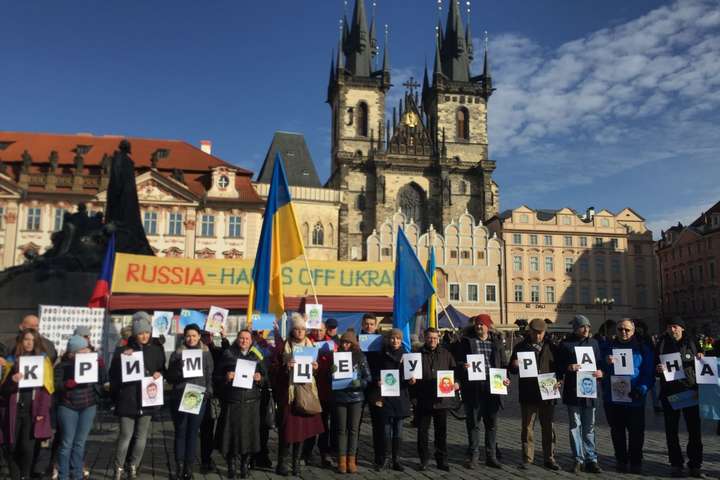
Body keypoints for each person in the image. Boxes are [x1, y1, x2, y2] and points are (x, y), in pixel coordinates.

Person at [109, 312, 166, 480]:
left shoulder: (156, 350)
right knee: (125, 436)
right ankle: (118, 468)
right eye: (141, 333)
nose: (144, 336)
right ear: (135, 334)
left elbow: (162, 368)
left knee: (141, 436)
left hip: (147, 398)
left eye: (147, 332)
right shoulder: (123, 351)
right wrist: (122, 360)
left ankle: (133, 465)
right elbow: (113, 375)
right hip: (128, 399)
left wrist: (159, 374)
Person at [270, 313, 324, 476]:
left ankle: (296, 464)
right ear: (292, 330)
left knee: (302, 431)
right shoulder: (283, 347)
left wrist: (316, 368)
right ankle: (282, 463)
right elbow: (273, 369)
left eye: (302, 329)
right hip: (289, 396)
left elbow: (317, 374)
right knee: (286, 430)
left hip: (306, 394)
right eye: (297, 329)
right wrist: (286, 366)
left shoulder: (311, 346)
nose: (300, 332)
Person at [599, 318, 655, 474]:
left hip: (635, 397)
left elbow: (648, 372)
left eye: (627, 329)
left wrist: (641, 389)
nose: (623, 332)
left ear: (633, 330)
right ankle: (621, 460)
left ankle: (636, 460)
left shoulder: (642, 348)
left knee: (636, 432)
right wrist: (605, 363)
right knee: (617, 431)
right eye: (620, 329)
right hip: (613, 398)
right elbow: (598, 369)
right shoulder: (607, 347)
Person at [456, 314, 509, 470]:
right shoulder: (466, 342)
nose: (479, 326)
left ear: (488, 326)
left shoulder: (496, 342)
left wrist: (506, 379)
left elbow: (503, 364)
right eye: (477, 324)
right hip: (474, 387)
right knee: (473, 423)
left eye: (482, 324)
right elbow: (457, 361)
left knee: (491, 423)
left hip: (493, 386)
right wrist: (463, 366)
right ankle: (474, 455)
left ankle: (491, 456)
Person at [0, 329, 54, 480]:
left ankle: (25, 475)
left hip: (32, 411)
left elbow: (47, 390)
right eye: (26, 339)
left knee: (27, 447)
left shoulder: (43, 361)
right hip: (13, 410)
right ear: (21, 341)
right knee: (11, 446)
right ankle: (15, 475)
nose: (29, 343)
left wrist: (42, 412)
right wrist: (12, 381)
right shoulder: (11, 361)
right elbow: (3, 390)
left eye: (33, 340)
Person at [654, 317, 705, 478]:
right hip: (670, 392)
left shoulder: (692, 342)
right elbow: (654, 365)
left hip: (689, 390)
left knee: (694, 430)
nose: (672, 330)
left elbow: (705, 361)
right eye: (669, 327)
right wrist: (658, 369)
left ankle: (695, 464)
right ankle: (676, 464)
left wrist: (702, 356)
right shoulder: (661, 343)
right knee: (671, 431)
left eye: (675, 327)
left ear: (682, 328)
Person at [509, 318, 561, 470]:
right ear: (529, 331)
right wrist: (514, 365)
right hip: (528, 391)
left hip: (548, 390)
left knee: (548, 427)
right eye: (535, 332)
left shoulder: (552, 346)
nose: (538, 336)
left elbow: (559, 367)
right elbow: (512, 369)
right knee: (527, 427)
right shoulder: (520, 347)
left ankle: (549, 458)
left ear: (545, 332)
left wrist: (560, 380)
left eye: (541, 333)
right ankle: (527, 458)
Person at [215, 329, 266, 479]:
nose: (244, 341)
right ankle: (231, 465)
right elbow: (216, 376)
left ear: (251, 341)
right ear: (237, 339)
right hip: (233, 401)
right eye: (241, 338)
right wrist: (226, 377)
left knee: (249, 436)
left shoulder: (257, 355)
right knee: (231, 436)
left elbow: (266, 378)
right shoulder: (228, 354)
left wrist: (260, 378)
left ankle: (245, 465)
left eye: (247, 338)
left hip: (251, 402)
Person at [54, 335, 106, 480]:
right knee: (67, 443)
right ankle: (63, 475)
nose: (85, 352)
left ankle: (77, 474)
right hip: (68, 407)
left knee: (80, 443)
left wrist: (101, 367)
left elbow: (103, 380)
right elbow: (55, 385)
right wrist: (66, 384)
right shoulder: (63, 366)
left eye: (86, 349)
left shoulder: (92, 362)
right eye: (81, 350)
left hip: (88, 406)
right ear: (72, 353)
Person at [166, 324, 214, 479]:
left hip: (198, 395)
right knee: (181, 431)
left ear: (199, 336)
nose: (191, 338)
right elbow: (170, 377)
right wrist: (178, 368)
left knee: (193, 433)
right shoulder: (178, 353)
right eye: (188, 336)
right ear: (184, 337)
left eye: (194, 335)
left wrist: (208, 391)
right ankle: (179, 466)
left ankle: (189, 468)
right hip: (180, 395)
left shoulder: (206, 352)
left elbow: (209, 374)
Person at [557, 315, 603, 474]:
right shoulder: (565, 344)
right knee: (575, 427)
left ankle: (591, 459)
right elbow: (558, 365)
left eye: (588, 326)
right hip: (573, 391)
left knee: (589, 426)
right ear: (575, 328)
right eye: (583, 326)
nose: (586, 329)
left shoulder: (594, 343)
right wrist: (568, 367)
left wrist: (601, 372)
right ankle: (578, 458)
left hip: (589, 390)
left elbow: (599, 363)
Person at [415, 327, 458, 471]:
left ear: (438, 338)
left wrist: (457, 382)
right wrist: (411, 381)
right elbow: (409, 373)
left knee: (441, 432)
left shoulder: (446, 353)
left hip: (441, 400)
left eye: (434, 338)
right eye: (429, 338)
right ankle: (424, 459)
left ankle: (442, 460)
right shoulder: (417, 354)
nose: (432, 340)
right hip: (423, 398)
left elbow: (454, 371)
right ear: (424, 338)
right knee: (422, 432)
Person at [331, 331, 370, 474]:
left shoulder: (360, 357)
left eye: (348, 343)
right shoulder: (336, 356)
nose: (345, 345)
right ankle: (341, 460)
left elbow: (368, 378)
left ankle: (351, 460)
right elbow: (330, 379)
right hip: (340, 397)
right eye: (343, 342)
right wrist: (331, 372)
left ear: (353, 344)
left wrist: (359, 382)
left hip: (356, 397)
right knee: (341, 429)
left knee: (353, 430)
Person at [377, 329, 412, 471]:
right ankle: (385, 458)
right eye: (393, 338)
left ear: (401, 340)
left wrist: (411, 380)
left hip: (401, 397)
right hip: (386, 396)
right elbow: (376, 371)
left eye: (398, 338)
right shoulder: (382, 354)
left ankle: (396, 459)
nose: (395, 341)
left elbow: (410, 375)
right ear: (388, 339)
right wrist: (378, 380)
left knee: (398, 430)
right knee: (386, 430)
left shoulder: (407, 356)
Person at [302, 322, 336, 468]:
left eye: (321, 330)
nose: (318, 333)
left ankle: (324, 453)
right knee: (310, 423)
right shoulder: (306, 342)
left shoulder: (331, 344)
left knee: (324, 424)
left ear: (325, 330)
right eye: (315, 330)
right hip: (309, 390)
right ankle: (306, 453)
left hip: (326, 391)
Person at [199, 329, 230, 474]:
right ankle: (204, 460)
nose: (207, 338)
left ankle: (209, 456)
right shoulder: (193, 351)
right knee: (203, 429)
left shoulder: (216, 350)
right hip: (197, 392)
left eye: (209, 335)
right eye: (204, 335)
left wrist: (224, 338)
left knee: (212, 428)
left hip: (214, 394)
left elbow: (227, 354)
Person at [359, 313, 385, 469]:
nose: (369, 326)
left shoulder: (381, 341)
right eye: (366, 324)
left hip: (377, 387)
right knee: (355, 424)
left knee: (379, 424)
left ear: (376, 326)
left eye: (371, 324)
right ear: (362, 325)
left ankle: (379, 458)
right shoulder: (356, 340)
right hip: (359, 386)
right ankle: (352, 456)